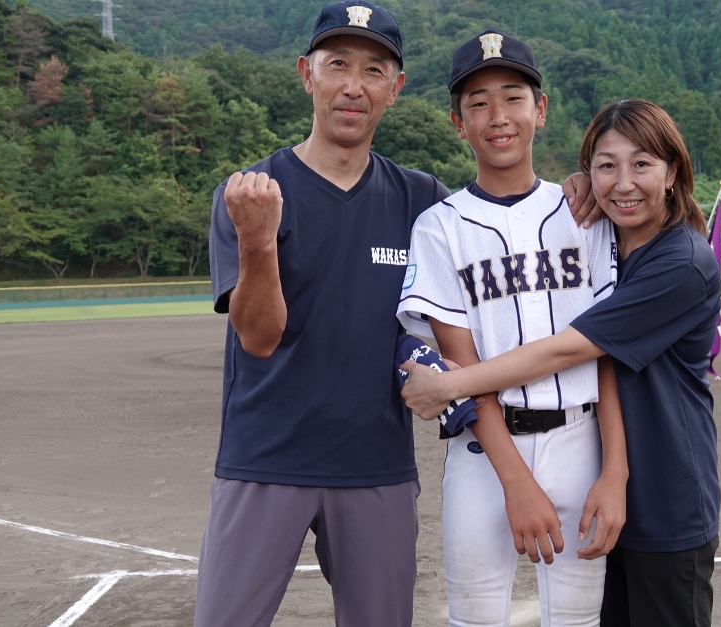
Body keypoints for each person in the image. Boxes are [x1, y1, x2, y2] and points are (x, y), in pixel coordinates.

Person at [196, 2, 601, 625]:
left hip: (376, 466)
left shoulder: (421, 202)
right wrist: (257, 240)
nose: (353, 85)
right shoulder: (254, 192)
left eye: (374, 70)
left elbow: (499, 217)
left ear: (396, 87)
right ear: (307, 73)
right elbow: (258, 336)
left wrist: (584, 186)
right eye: (337, 65)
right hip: (266, 460)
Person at [401, 98, 721, 627]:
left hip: (664, 490)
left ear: (672, 173)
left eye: (643, 164)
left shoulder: (680, 261)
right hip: (602, 481)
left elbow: (572, 349)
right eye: (606, 166)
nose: (624, 182)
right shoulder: (605, 230)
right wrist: (582, 185)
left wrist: (449, 385)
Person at [396, 31, 628, 627]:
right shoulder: (439, 227)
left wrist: (614, 471)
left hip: (581, 440)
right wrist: (516, 481)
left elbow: (607, 354)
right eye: (478, 103)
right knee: (474, 618)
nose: (498, 116)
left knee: (579, 620)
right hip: (484, 450)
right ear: (458, 123)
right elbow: (461, 365)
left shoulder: (587, 214)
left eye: (513, 97)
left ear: (540, 110)